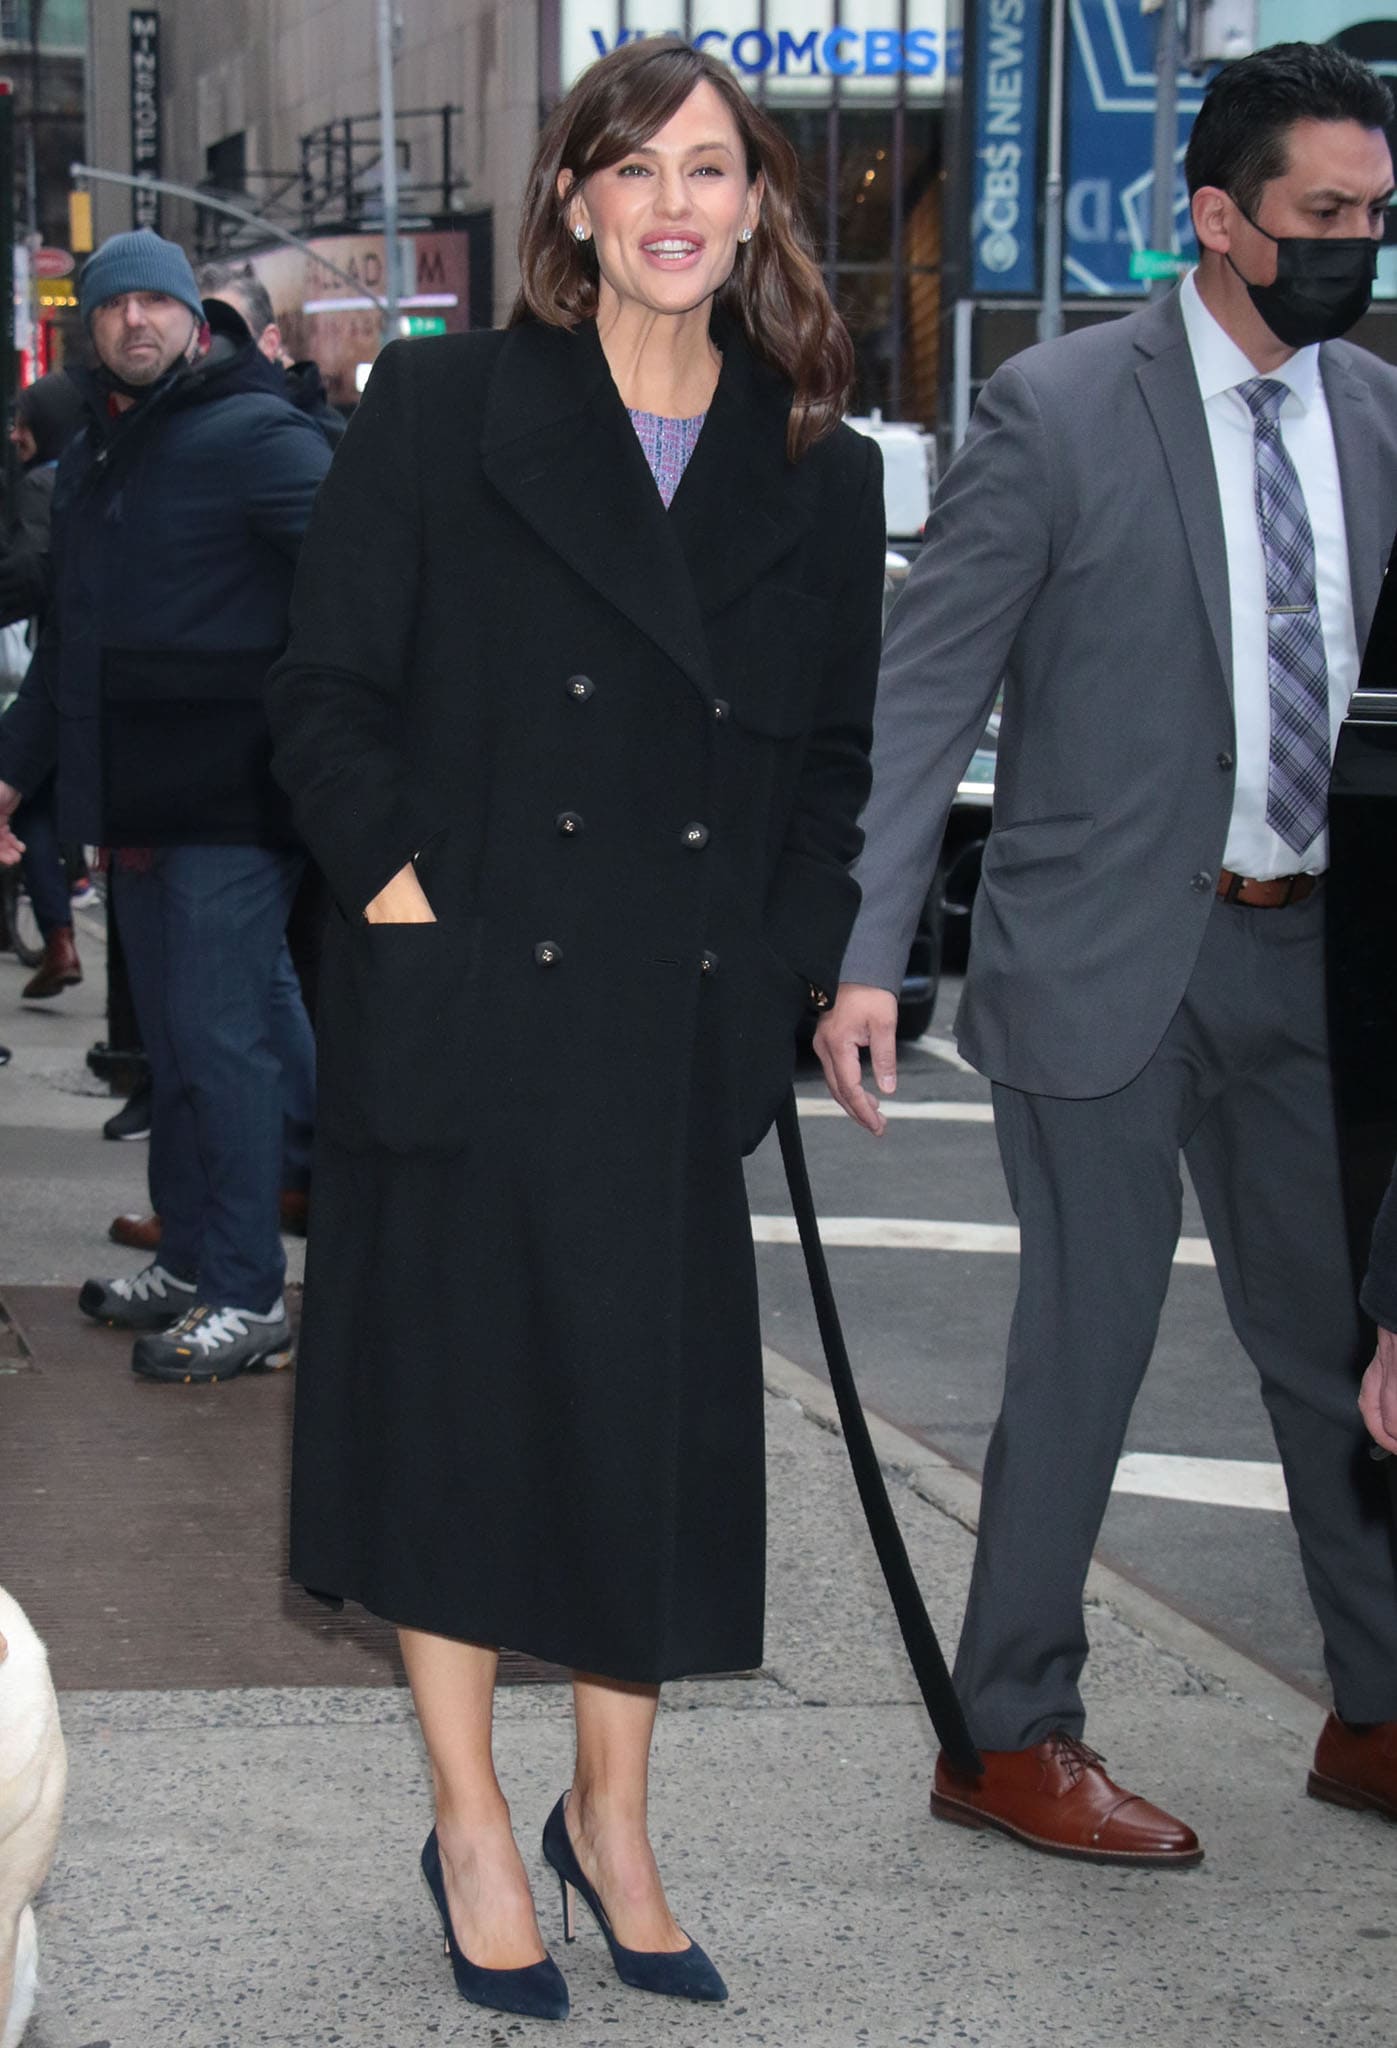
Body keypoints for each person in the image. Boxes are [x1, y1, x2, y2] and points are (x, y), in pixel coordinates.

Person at [266, 36, 883, 2024]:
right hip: (466, 1017)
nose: (676, 203)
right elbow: (325, 699)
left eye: (712, 167)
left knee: (634, 1451)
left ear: (756, 202)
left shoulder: (816, 459)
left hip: (663, 1035)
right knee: (459, 1439)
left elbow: (832, 773)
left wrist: (775, 964)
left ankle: (608, 1823)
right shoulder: (445, 407)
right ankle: (467, 1818)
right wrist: (406, 906)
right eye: (635, 169)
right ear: (573, 206)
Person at [816, 40, 1397, 1863]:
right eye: (1322, 217)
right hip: (1101, 950)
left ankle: (1373, 1709)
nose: (1355, 247)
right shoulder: (1058, 408)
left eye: (1375, 217)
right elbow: (927, 694)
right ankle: (1008, 1727)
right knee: (1092, 1338)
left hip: (1315, 961)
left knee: (1339, 1352)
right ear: (1216, 220)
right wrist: (858, 957)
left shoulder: (1379, 417)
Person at [0, 229, 331, 1383]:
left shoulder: (254, 435)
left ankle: (247, 1292)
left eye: (157, 301)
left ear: (197, 317)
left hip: (231, 800)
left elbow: (367, 578)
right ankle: (193, 1260)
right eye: (112, 303)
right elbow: (69, 645)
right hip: (136, 800)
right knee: (179, 1049)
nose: (135, 319)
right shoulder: (102, 449)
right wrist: (12, 767)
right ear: (86, 326)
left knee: (221, 1046)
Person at [0, 372, 87, 1003]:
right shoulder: (88, 472)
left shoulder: (41, 485)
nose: (16, 435)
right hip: (68, 680)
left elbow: (31, 570)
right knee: (43, 810)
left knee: (26, 804)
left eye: (25, 423)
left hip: (45, 678)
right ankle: (60, 931)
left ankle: (59, 935)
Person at [196, 258, 346, 445]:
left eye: (230, 330)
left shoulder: (321, 435)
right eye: (201, 333)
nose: (212, 345)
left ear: (270, 342)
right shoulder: (178, 420)